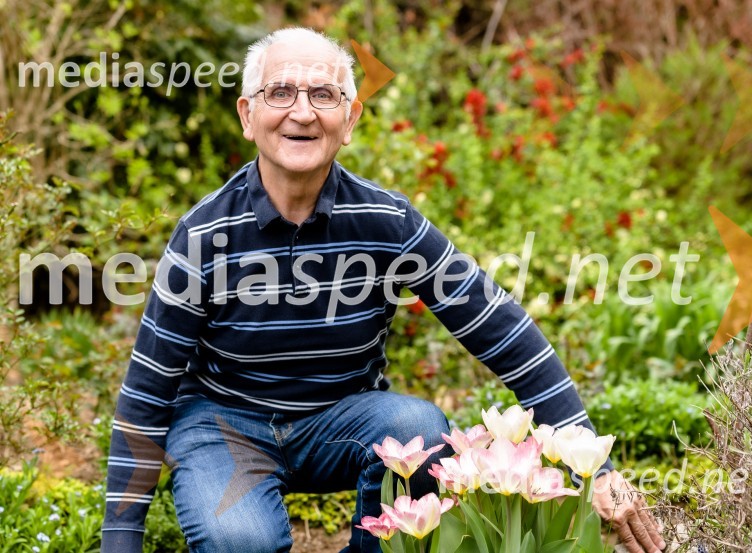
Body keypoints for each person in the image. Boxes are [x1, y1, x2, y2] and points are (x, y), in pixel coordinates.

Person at [101, 27, 666, 553]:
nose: (302, 112)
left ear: (350, 120)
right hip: (225, 426)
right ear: (248, 115)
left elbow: (501, 329)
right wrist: (119, 539)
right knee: (241, 541)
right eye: (280, 92)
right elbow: (147, 393)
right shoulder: (205, 235)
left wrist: (595, 466)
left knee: (419, 433)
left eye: (324, 95)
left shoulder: (385, 222)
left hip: (338, 423)